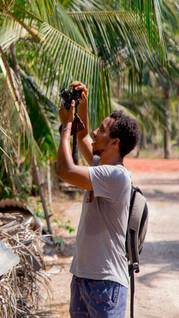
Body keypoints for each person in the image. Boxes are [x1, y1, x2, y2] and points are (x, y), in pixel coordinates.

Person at [57, 81, 141, 318]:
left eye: (102, 130)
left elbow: (64, 169)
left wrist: (66, 125)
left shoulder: (116, 176)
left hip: (106, 285)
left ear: (115, 143)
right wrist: (82, 105)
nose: (96, 131)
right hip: (83, 277)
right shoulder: (101, 165)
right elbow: (84, 136)